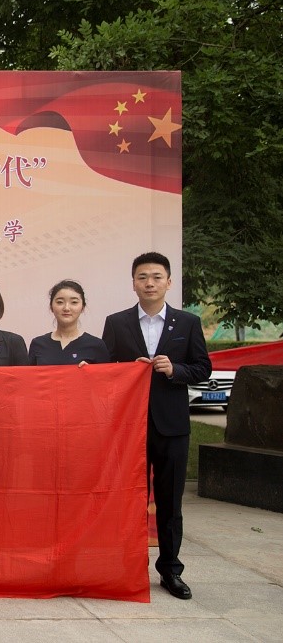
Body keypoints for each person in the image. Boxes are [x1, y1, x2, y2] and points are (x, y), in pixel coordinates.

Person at [102, 252, 211, 600]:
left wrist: (175, 370)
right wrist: (126, 370)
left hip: (172, 426)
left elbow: (202, 368)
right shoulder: (117, 323)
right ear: (133, 283)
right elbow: (106, 370)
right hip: (128, 428)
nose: (149, 283)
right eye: (143, 277)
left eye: (156, 277)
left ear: (168, 282)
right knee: (129, 501)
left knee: (169, 502)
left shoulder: (188, 323)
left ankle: (170, 570)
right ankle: (127, 567)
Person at [28, 280, 110, 365]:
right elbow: (30, 373)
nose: (66, 308)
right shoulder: (38, 344)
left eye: (74, 302)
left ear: (82, 307)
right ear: (51, 307)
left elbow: (106, 373)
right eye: (60, 302)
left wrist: (90, 371)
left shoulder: (96, 345)